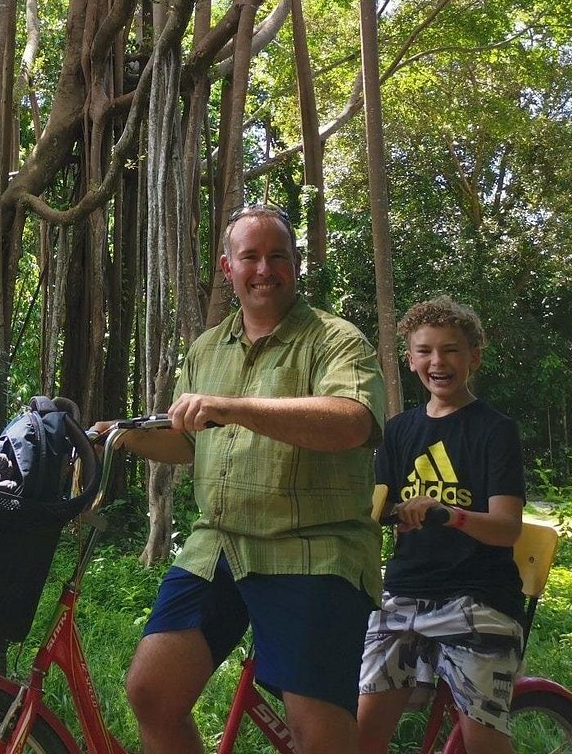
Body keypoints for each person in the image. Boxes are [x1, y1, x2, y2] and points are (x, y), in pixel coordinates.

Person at [108, 205, 386, 754]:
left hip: (313, 550)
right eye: (251, 257)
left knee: (319, 733)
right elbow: (190, 441)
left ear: (296, 264)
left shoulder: (337, 339)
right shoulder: (207, 347)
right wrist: (121, 436)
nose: (265, 269)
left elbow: (354, 421)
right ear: (227, 267)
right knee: (151, 694)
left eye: (277, 256)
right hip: (219, 547)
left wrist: (234, 407)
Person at [358, 297, 525, 754]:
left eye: (451, 350)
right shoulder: (397, 431)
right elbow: (378, 509)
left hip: (479, 597)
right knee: (360, 736)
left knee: (483, 741)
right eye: (425, 350)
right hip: (402, 594)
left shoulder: (495, 430)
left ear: (474, 356)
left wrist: (448, 514)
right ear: (410, 360)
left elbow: (508, 528)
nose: (438, 362)